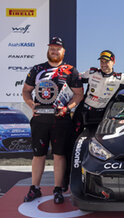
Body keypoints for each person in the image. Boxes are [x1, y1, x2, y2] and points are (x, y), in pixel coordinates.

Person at [22, 37, 84, 204]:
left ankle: (58, 189)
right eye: (52, 48)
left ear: (63, 51)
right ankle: (34, 188)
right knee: (38, 155)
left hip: (61, 120)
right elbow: (26, 91)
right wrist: (31, 105)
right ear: (48, 50)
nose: (54, 51)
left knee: (59, 155)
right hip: (40, 120)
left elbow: (79, 95)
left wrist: (67, 108)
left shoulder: (71, 71)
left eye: (57, 49)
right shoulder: (37, 69)